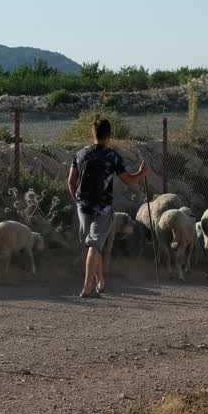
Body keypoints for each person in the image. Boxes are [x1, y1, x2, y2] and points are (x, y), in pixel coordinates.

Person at [67, 118, 149, 297]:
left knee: (92, 245)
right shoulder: (112, 156)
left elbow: (71, 182)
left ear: (93, 134)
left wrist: (78, 202)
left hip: (83, 207)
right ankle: (87, 288)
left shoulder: (80, 154)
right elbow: (129, 180)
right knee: (94, 245)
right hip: (102, 208)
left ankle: (101, 281)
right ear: (109, 136)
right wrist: (142, 173)